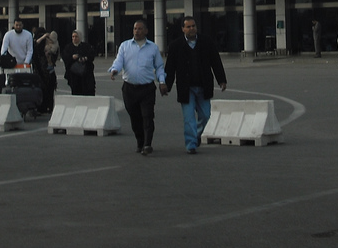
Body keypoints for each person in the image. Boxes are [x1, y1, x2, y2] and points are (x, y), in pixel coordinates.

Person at [161, 16, 227, 154]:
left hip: (203, 86)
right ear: (183, 29)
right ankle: (191, 144)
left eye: (193, 26)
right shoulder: (176, 45)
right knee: (189, 118)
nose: (192, 29)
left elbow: (216, 61)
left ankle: (196, 135)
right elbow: (170, 68)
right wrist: (166, 85)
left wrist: (221, 79)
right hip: (186, 88)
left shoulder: (206, 42)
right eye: (188, 27)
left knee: (206, 116)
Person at [109, 20, 166, 155]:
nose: (137, 31)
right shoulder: (125, 46)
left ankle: (147, 144)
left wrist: (162, 81)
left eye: (140, 29)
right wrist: (115, 70)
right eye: (135, 28)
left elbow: (159, 66)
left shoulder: (153, 48)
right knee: (135, 118)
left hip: (147, 89)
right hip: (129, 89)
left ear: (146, 31)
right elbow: (118, 61)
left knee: (147, 116)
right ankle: (140, 142)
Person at [61, 30, 96, 96]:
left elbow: (91, 55)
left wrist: (85, 58)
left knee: (88, 91)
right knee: (76, 93)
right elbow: (65, 57)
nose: (74, 38)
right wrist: (72, 57)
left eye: (76, 36)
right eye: (73, 36)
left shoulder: (85, 46)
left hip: (86, 75)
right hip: (74, 76)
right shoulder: (69, 47)